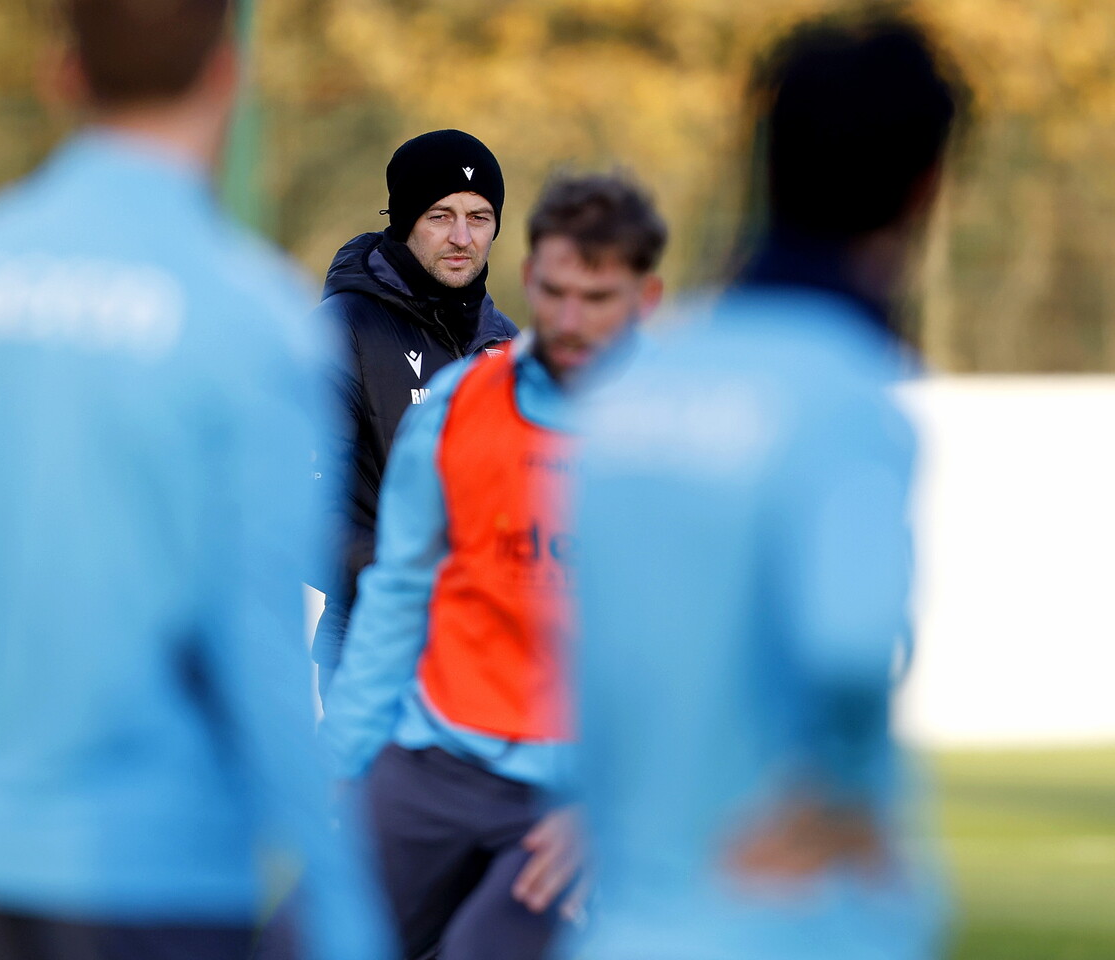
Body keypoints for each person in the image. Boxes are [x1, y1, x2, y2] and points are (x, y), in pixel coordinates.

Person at [0, 2, 390, 958]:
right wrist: (345, 917)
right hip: (160, 868)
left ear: (61, 72)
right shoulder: (255, 320)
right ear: (227, 77)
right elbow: (264, 652)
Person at [572, 11, 968, 960]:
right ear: (925, 188)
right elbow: (849, 639)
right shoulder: (844, 391)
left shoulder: (630, 391)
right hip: (788, 922)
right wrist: (841, 793)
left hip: (623, 923)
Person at [320, 174, 667, 960]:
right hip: (436, 754)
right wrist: (345, 768)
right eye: (554, 292)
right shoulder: (458, 403)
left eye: (598, 297)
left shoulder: (683, 442)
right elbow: (397, 597)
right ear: (531, 276)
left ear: (646, 297)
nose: (568, 322)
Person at [309, 129, 519, 698]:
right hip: (373, 652)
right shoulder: (341, 331)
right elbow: (297, 511)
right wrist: (411, 574)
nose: (461, 237)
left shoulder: (510, 350)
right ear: (403, 221)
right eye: (439, 215)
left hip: (489, 660)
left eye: (478, 218)